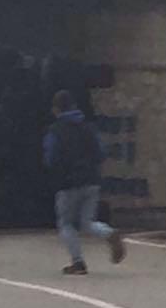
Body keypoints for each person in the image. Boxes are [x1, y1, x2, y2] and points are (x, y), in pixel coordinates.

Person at [44, 90, 126, 276]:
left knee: (66, 224)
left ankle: (78, 262)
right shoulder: (88, 128)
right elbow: (100, 153)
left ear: (56, 109)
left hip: (67, 184)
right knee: (87, 222)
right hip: (91, 181)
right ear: (74, 106)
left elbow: (51, 158)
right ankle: (108, 233)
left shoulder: (55, 131)